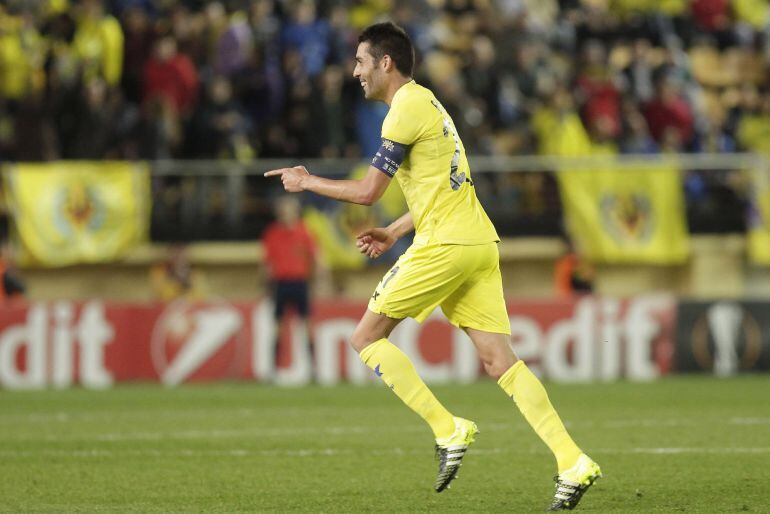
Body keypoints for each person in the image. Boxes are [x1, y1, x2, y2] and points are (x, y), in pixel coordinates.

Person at [265, 22, 601, 510]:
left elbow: (366, 193)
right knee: (498, 360)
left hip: (445, 244)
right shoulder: (429, 104)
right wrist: (395, 231)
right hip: (476, 242)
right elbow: (443, 186)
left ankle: (449, 428)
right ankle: (572, 461)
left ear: (385, 63)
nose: (354, 72)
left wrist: (306, 181)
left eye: (361, 62)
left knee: (365, 338)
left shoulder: (403, 110)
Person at [261, 195, 318, 377]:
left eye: (289, 210)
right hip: (281, 283)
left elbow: (315, 259)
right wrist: (266, 286)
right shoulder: (272, 233)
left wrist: (316, 282)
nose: (286, 214)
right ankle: (273, 370)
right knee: (278, 327)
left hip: (300, 282)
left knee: (307, 326)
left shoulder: (304, 232)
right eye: (283, 210)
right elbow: (266, 263)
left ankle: (313, 370)